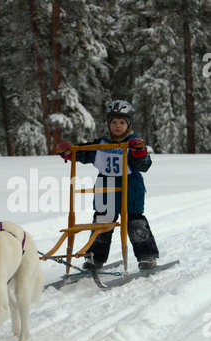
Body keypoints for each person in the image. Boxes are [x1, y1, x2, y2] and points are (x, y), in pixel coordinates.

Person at [56, 100, 159, 271]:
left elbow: (144, 165)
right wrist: (69, 152)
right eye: (114, 122)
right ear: (108, 123)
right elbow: (84, 153)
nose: (117, 126)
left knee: (135, 223)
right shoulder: (101, 143)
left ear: (128, 124)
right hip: (105, 189)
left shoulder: (134, 142)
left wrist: (139, 152)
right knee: (101, 223)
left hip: (130, 188)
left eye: (122, 122)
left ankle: (147, 256)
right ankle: (95, 259)